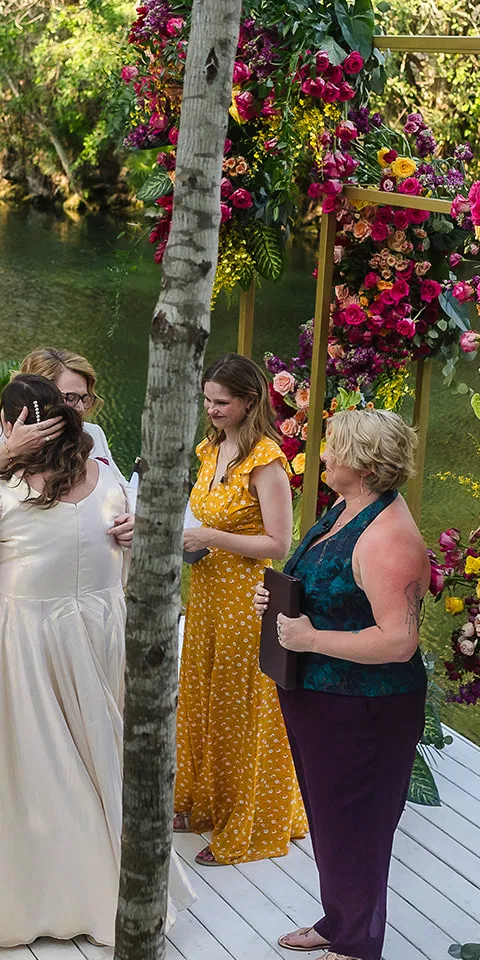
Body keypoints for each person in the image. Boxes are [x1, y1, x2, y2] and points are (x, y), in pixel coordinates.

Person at [0, 374, 192, 960]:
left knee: (17, 763)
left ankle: (10, 901)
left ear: (15, 426)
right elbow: (122, 540)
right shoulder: (106, 480)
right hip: (97, 629)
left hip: (22, 636)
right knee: (97, 754)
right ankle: (105, 896)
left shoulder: (3, 491)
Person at [253, 408, 431, 960]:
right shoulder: (344, 509)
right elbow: (330, 588)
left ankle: (355, 943)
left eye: (332, 447)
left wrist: (307, 637)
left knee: (357, 822)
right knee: (330, 816)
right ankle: (338, 920)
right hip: (320, 695)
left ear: (362, 461)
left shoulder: (391, 537)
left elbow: (400, 641)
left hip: (366, 707)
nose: (322, 454)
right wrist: (280, 603)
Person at [173, 353, 307, 866]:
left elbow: (279, 543)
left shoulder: (266, 461)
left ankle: (248, 825)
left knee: (240, 708)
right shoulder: (211, 448)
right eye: (207, 400)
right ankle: (204, 801)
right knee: (204, 699)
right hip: (206, 591)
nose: (211, 410)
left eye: (222, 402)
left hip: (246, 600)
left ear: (250, 401)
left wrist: (210, 535)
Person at [0, 347, 128, 677]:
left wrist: (132, 520)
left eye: (83, 399)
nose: (77, 409)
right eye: (69, 398)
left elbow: (121, 491)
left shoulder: (91, 436)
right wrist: (7, 451)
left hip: (48, 606)